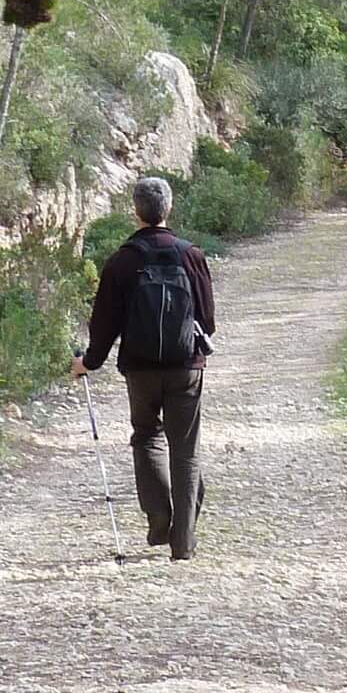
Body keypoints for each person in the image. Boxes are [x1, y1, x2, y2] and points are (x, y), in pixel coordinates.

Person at [73, 175, 217, 560]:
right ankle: (183, 543)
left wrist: (87, 363)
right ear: (168, 209)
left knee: (147, 437)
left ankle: (158, 521)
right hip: (186, 365)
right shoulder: (191, 255)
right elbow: (209, 321)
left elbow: (103, 324)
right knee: (185, 450)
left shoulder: (122, 260)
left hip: (139, 369)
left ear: (135, 210)